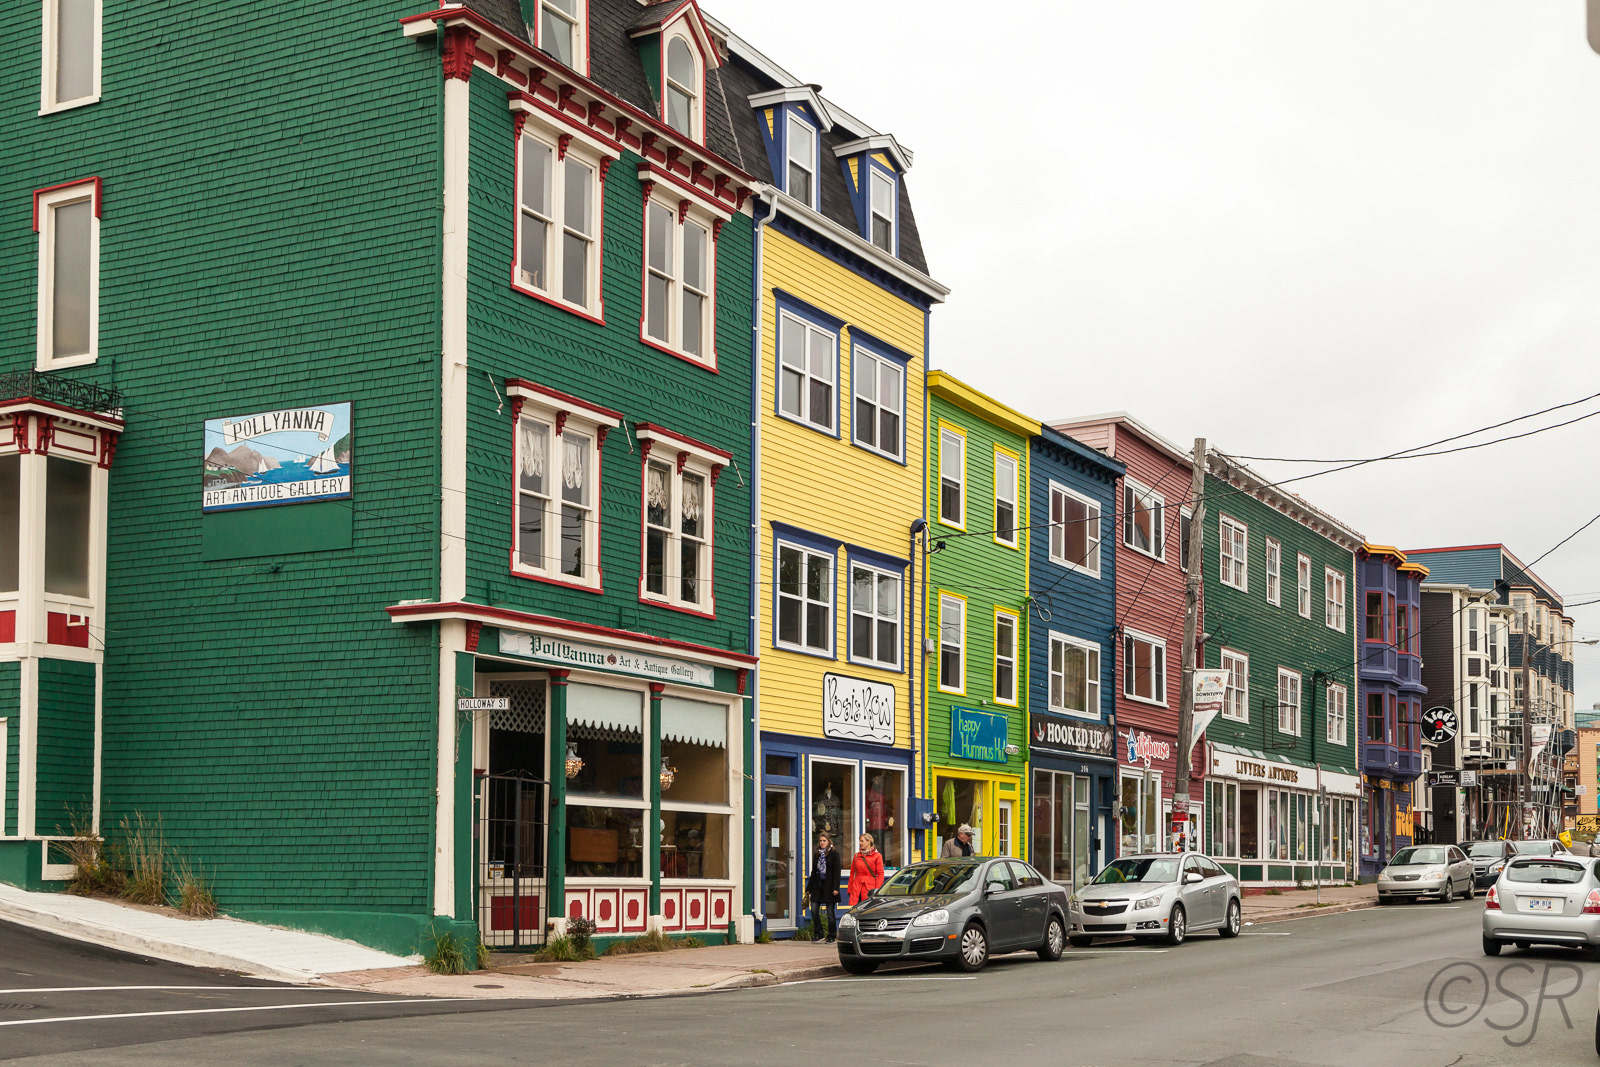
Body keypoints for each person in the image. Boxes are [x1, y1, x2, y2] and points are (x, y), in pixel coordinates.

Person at [805, 833, 841, 942]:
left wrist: (836, 888)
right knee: (814, 910)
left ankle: (831, 935)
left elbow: (837, 872)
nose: (822, 843)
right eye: (820, 841)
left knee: (830, 913)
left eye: (824, 840)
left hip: (829, 887)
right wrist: (808, 888)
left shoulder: (834, 854)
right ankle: (819, 933)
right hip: (817, 886)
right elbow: (813, 871)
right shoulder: (817, 854)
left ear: (829, 841)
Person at [848, 833, 885, 906]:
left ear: (869, 841)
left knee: (867, 909)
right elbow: (852, 873)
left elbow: (880, 874)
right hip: (856, 888)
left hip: (870, 888)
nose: (860, 843)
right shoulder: (856, 856)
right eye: (859, 841)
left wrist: (876, 890)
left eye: (862, 841)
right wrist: (850, 889)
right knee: (856, 911)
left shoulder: (877, 856)